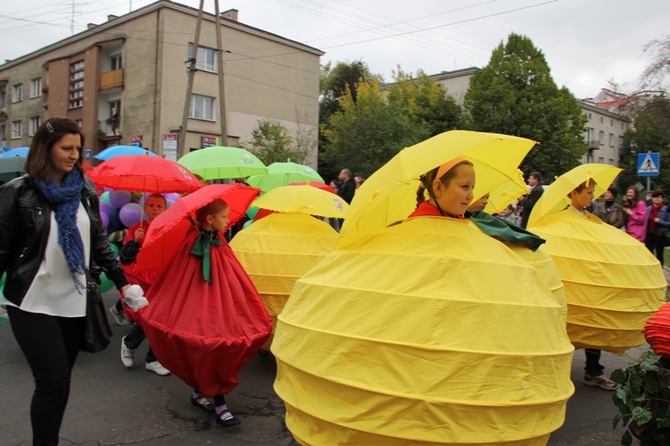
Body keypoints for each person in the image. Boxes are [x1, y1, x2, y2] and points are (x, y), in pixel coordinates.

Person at [0, 117, 137, 446]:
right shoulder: (18, 191)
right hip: (32, 298)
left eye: (78, 147)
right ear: (45, 149)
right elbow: (3, 248)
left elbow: (99, 242)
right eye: (66, 148)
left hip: (75, 299)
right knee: (52, 380)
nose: (75, 154)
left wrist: (123, 283)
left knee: (61, 383)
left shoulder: (84, 189)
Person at [138, 198, 272, 428]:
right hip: (199, 304)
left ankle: (205, 391)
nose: (228, 220)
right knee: (207, 343)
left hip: (223, 301)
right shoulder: (193, 242)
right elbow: (182, 276)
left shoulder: (219, 241)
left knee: (224, 342)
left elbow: (231, 272)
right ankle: (215, 398)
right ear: (210, 219)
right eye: (224, 216)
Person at [119, 193, 170, 376]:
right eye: (151, 205)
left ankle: (152, 358)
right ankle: (130, 344)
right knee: (145, 318)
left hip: (160, 280)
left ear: (165, 209)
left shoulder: (168, 229)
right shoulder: (135, 229)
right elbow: (124, 257)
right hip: (139, 280)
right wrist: (134, 242)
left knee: (160, 319)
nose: (154, 209)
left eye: (159, 206)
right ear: (145, 208)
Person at [645, 190, 670, 266]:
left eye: (659, 197)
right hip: (649, 234)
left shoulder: (666, 209)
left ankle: (660, 271)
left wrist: (660, 221)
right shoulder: (648, 209)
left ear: (662, 199)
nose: (657, 199)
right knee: (649, 254)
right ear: (652, 198)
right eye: (655, 197)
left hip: (660, 235)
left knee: (659, 254)